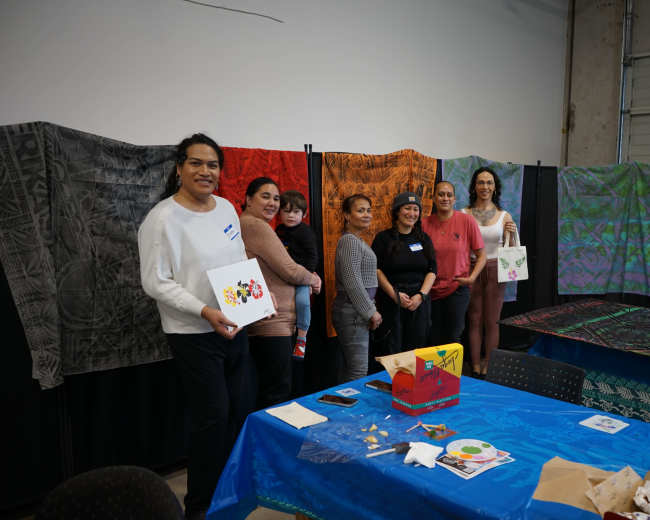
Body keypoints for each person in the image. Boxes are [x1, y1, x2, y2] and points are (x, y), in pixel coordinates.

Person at [138, 133, 255, 519]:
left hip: (234, 327)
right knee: (212, 419)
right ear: (179, 168)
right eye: (196, 163)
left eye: (213, 165)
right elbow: (155, 282)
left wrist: (253, 303)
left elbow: (237, 260)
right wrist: (206, 312)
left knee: (240, 411)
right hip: (193, 334)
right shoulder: (162, 219)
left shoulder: (225, 208)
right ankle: (201, 507)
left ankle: (231, 492)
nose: (206, 171)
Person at [239, 178, 321, 408]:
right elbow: (290, 270)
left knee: (272, 389)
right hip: (272, 324)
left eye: (276, 198)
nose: (272, 203)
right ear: (248, 199)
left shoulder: (249, 225)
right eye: (265, 196)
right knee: (277, 394)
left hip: (269, 321)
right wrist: (313, 278)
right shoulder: (256, 225)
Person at [462, 167, 518, 378]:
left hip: (496, 269)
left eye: (489, 183)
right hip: (472, 268)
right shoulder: (464, 214)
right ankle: (475, 364)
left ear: (495, 188)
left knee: (492, 320)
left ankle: (489, 363)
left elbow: (511, 251)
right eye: (480, 182)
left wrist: (511, 235)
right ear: (474, 187)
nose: (485, 187)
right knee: (474, 318)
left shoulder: (504, 216)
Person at [370, 192, 437, 363]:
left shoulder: (424, 239)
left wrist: (421, 296)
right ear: (397, 212)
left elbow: (432, 270)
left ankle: (415, 387)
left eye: (416, 209)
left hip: (419, 301)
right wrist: (394, 295)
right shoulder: (383, 238)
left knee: (418, 349)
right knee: (392, 349)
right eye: (407, 208)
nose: (412, 213)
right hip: (392, 301)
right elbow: (376, 270)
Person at [422, 181, 486, 348]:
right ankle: (433, 375)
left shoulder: (466, 221)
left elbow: (482, 255)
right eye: (441, 194)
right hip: (430, 290)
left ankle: (451, 375)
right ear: (434, 198)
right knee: (433, 337)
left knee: (452, 337)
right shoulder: (423, 224)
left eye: (449, 195)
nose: (445, 198)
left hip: (457, 289)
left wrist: (471, 278)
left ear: (455, 199)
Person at [332, 194, 382, 382]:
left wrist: (370, 309)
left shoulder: (356, 240)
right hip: (352, 313)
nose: (366, 214)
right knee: (357, 371)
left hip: (356, 312)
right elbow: (352, 281)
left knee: (352, 369)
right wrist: (370, 312)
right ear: (347, 215)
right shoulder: (350, 241)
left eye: (368, 210)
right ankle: (347, 409)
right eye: (360, 210)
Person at [275, 190, 319, 359]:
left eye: (296, 212)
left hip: (301, 276)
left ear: (304, 214)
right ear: (279, 213)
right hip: (282, 276)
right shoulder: (278, 230)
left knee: (303, 302)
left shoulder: (305, 232)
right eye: (286, 211)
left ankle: (302, 337)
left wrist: (307, 278)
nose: (291, 216)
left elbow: (313, 256)